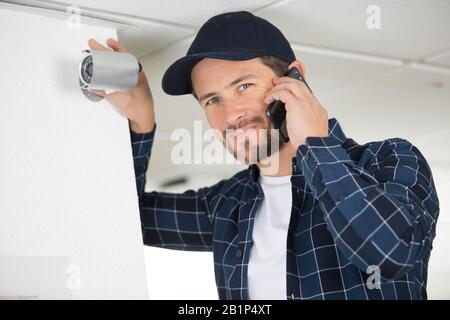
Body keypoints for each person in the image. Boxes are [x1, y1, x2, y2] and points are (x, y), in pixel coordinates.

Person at [88, 11, 439, 300]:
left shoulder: (389, 160)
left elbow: (393, 252)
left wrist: (314, 143)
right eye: (212, 100)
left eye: (243, 86)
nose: (231, 114)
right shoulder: (228, 204)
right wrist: (142, 122)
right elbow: (121, 222)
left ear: (294, 79)